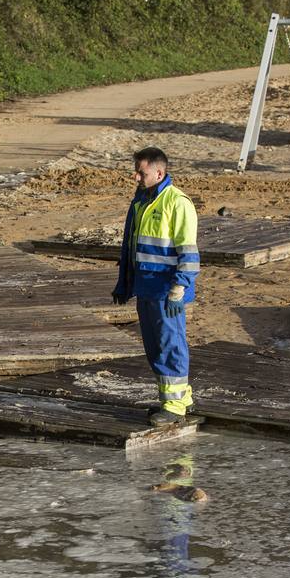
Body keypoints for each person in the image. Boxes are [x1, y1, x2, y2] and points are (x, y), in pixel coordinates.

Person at [111, 147, 199, 427]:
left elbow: (189, 252)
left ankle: (174, 406)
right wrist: (124, 284)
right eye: (136, 170)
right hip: (146, 287)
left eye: (142, 171)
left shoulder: (177, 202)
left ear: (159, 173)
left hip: (167, 291)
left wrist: (180, 288)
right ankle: (177, 399)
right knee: (153, 346)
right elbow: (131, 247)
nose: (136, 176)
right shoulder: (140, 202)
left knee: (170, 344)